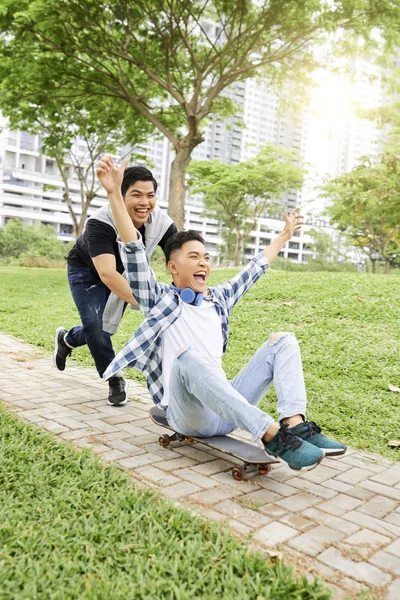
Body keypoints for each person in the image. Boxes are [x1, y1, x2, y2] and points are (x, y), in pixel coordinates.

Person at [98, 155, 347, 470]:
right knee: (187, 357)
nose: (203, 263)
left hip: (225, 410)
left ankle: (294, 425)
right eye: (193, 257)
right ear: (172, 267)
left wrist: (284, 236)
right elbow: (133, 251)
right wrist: (112, 194)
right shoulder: (159, 299)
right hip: (187, 415)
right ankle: (272, 436)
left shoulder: (219, 298)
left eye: (206, 257)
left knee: (282, 340)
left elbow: (254, 269)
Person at [53, 164, 177, 406]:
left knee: (103, 329)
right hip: (86, 271)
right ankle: (114, 376)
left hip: (124, 273)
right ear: (120, 195)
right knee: (96, 326)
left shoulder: (160, 222)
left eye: (150, 195)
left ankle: (67, 339)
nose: (145, 202)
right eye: (136, 194)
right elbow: (107, 274)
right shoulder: (100, 222)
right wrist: (147, 304)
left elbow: (178, 254)